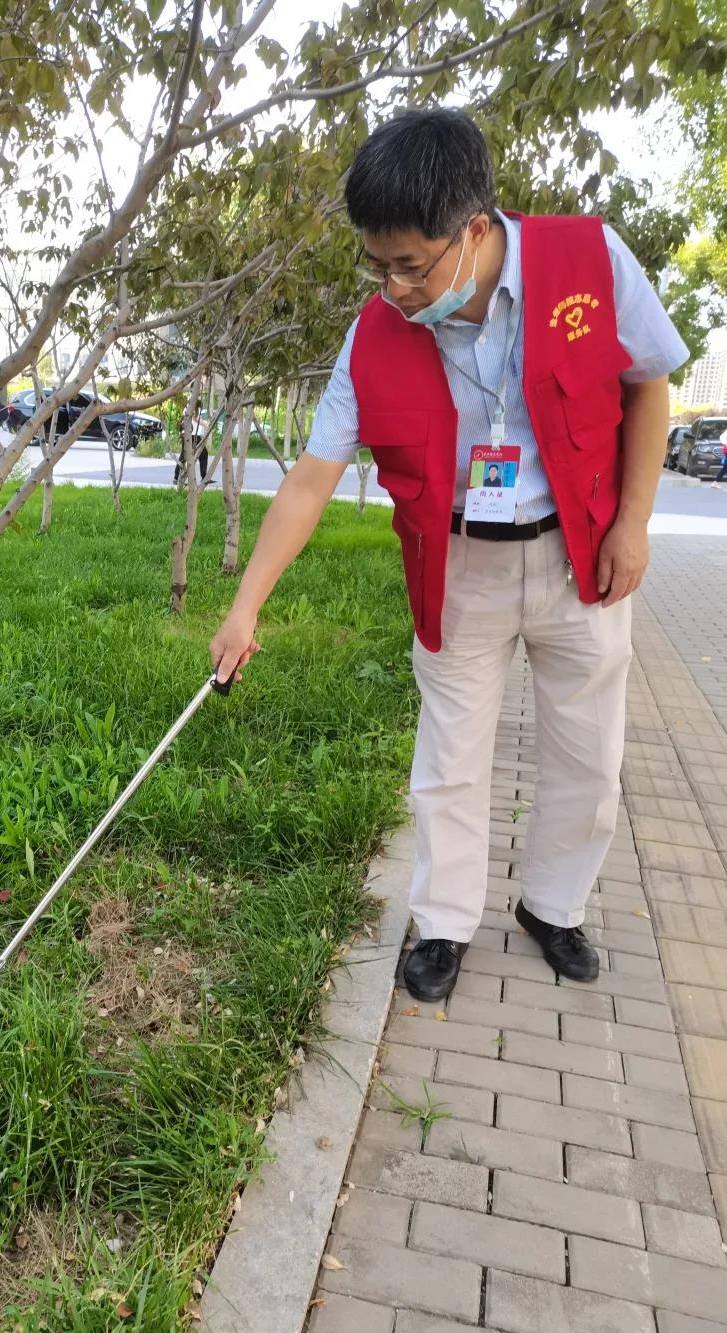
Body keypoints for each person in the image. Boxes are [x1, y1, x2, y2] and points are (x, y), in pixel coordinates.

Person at [209, 108, 687, 1003]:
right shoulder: (373, 334)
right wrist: (246, 606)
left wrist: (634, 523)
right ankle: (443, 923)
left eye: (409, 264)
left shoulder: (590, 259)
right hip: (460, 567)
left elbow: (648, 380)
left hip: (579, 559)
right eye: (376, 264)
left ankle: (553, 906)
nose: (392, 286)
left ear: (473, 229)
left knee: (588, 753)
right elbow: (310, 480)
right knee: (450, 759)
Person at [173, 418, 209, 486]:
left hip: (190, 434)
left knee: (184, 456)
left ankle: (176, 477)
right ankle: (204, 477)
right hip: (192, 435)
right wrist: (205, 424)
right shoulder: (193, 410)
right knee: (203, 454)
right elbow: (195, 418)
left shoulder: (187, 411)